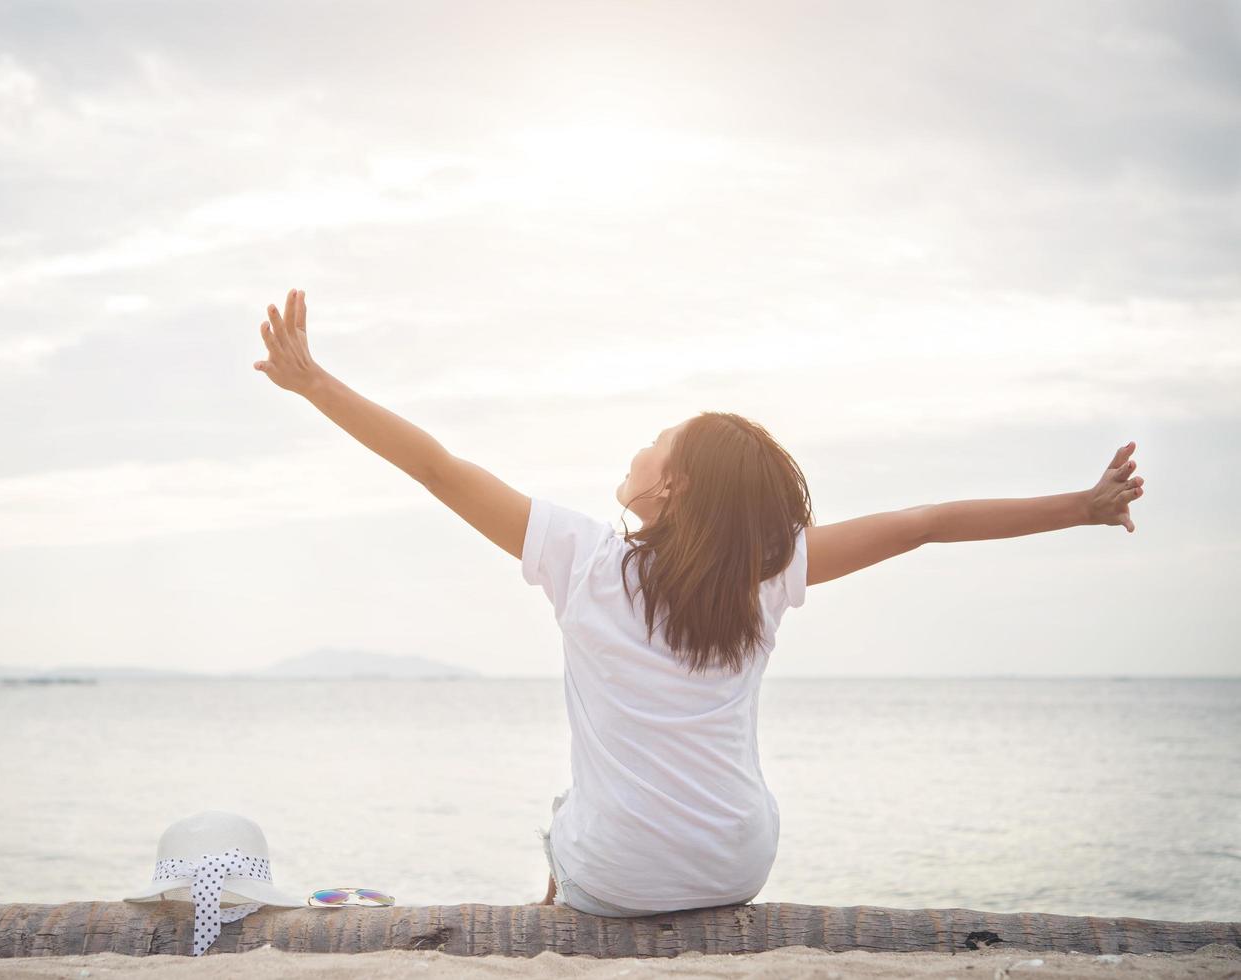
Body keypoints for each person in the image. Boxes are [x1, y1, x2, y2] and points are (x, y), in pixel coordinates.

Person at [253, 287, 1146, 915]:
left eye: (652, 444)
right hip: (737, 865)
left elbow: (435, 467)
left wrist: (315, 384)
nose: (635, 451)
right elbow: (925, 522)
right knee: (587, 812)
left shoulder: (581, 558)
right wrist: (1082, 506)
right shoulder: (767, 574)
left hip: (617, 879)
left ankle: (557, 916)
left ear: (672, 487)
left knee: (564, 818)